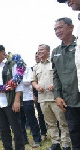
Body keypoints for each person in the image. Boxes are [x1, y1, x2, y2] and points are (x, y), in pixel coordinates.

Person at [32, 43, 71, 150]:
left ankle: (66, 144)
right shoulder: (36, 66)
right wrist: (36, 87)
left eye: (42, 50)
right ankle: (56, 143)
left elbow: (61, 76)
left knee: (62, 122)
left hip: (55, 98)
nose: (39, 51)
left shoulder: (54, 62)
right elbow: (33, 81)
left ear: (48, 51)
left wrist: (55, 85)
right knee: (50, 123)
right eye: (38, 50)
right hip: (43, 99)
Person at [0, 44, 25, 150]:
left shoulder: (11, 64)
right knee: (3, 130)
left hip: (10, 102)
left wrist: (17, 100)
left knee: (16, 129)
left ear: (3, 52)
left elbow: (19, 83)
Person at [53, 16, 79, 149]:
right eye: (55, 29)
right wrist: (57, 96)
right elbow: (56, 76)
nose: (57, 31)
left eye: (60, 27)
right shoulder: (56, 51)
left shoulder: (78, 45)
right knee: (74, 131)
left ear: (71, 27)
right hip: (68, 100)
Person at [20, 67, 41, 148]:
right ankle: (24, 139)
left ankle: (37, 139)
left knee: (31, 119)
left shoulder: (27, 69)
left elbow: (29, 81)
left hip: (27, 98)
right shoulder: (13, 69)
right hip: (18, 99)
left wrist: (19, 77)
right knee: (20, 120)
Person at [33, 52, 48, 141]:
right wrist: (34, 95)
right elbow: (32, 82)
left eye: (38, 56)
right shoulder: (34, 68)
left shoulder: (49, 65)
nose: (36, 57)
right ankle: (43, 133)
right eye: (35, 56)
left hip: (50, 94)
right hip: (38, 95)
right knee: (41, 115)